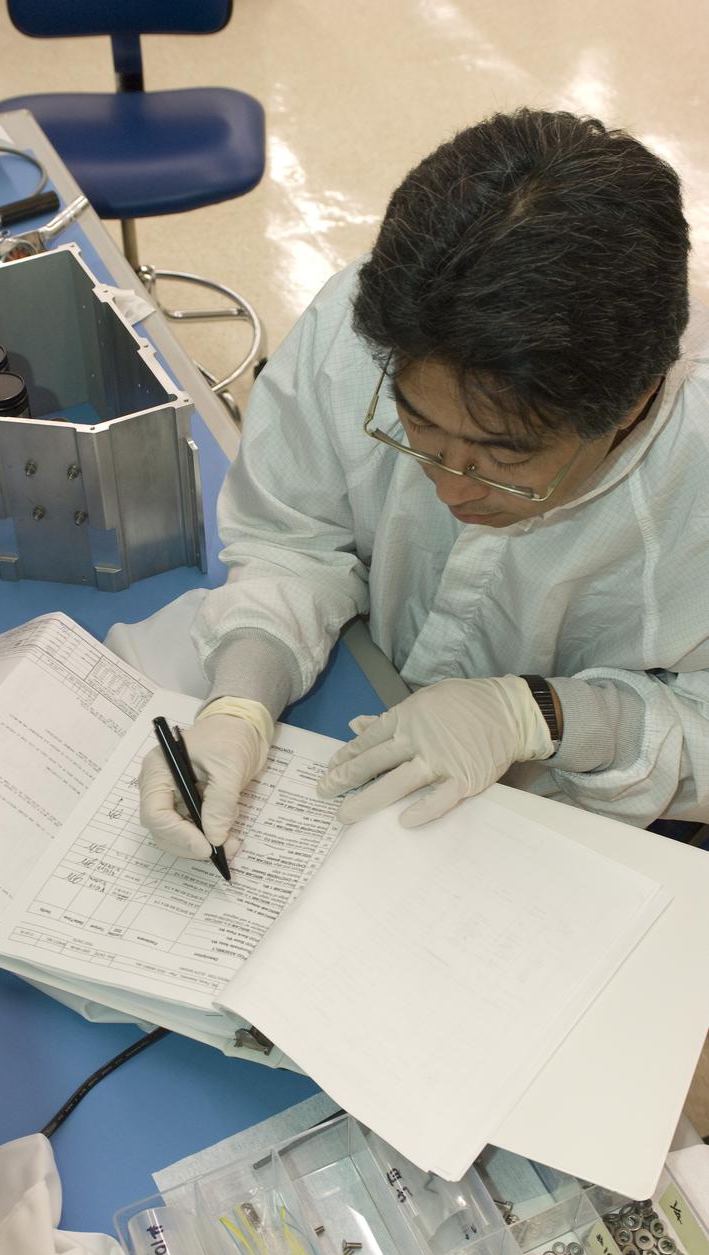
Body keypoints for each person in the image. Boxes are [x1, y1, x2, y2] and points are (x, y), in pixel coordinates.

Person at [138, 106, 709, 862]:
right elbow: (295, 540)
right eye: (417, 427)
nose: (449, 488)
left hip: (568, 831)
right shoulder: (368, 326)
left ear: (633, 403)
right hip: (360, 701)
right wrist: (239, 703)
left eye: (503, 456)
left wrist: (541, 713)